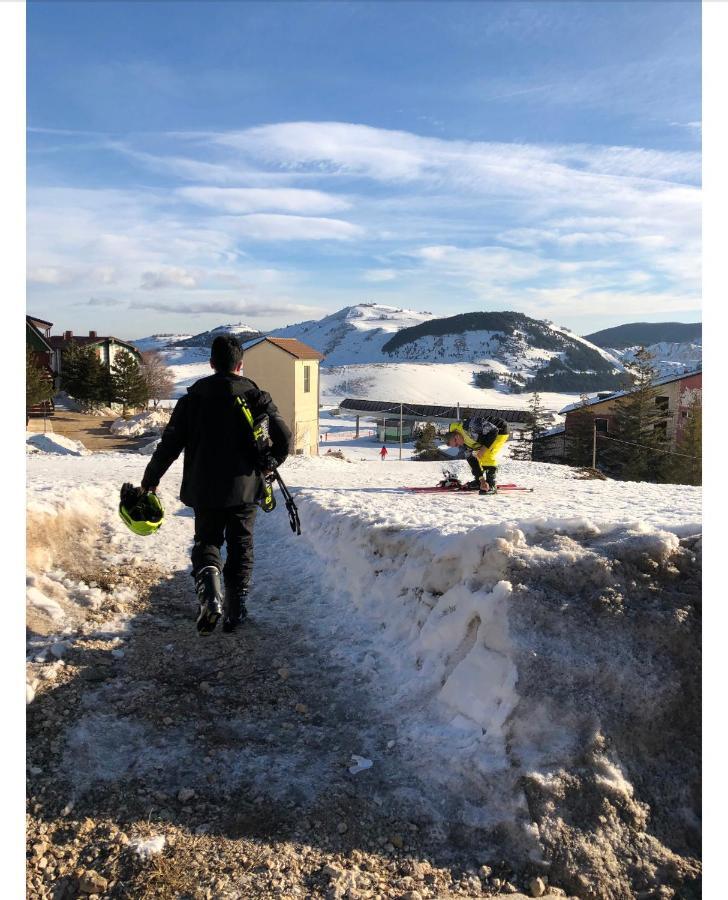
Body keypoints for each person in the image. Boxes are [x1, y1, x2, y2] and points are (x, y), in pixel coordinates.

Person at [140, 335, 291, 635]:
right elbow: (284, 437)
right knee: (241, 546)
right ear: (240, 365)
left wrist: (150, 481)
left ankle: (210, 596)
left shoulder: (191, 400)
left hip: (204, 487)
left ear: (211, 364)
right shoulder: (257, 397)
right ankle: (236, 611)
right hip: (246, 488)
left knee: (207, 541)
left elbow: (169, 446)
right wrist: (271, 461)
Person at [445, 415, 509, 494]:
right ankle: (479, 483)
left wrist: (484, 448)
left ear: (457, 437)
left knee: (486, 454)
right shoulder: (464, 445)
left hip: (499, 430)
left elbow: (494, 430)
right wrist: (481, 480)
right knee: (478, 456)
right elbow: (472, 462)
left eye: (456, 444)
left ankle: (491, 484)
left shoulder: (471, 426)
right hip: (486, 436)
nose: (458, 447)